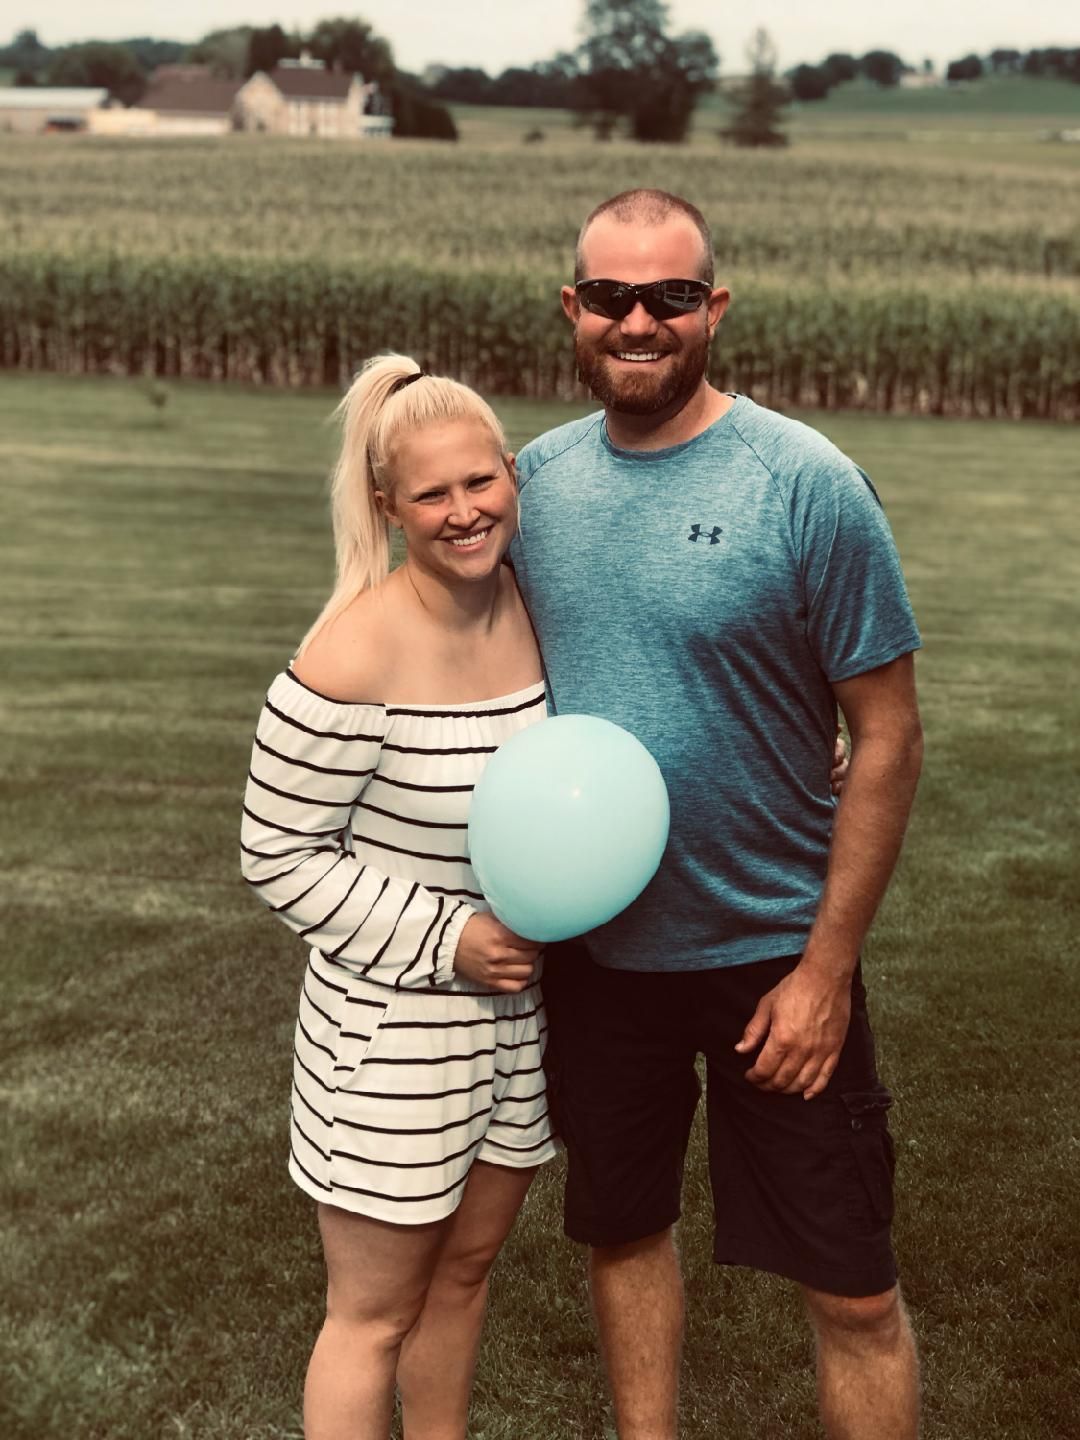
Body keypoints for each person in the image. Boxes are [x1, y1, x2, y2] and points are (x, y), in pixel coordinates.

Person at [511, 189, 925, 1440]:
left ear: (716, 309)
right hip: (600, 960)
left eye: (671, 298)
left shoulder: (805, 483)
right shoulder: (533, 487)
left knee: (851, 1290)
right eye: (613, 298)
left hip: (772, 963)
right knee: (624, 1237)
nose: (640, 322)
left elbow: (890, 731)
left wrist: (825, 973)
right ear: (571, 308)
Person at [239, 357, 558, 1440]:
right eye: (433, 494)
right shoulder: (351, 651)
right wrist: (447, 937)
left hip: (519, 1023)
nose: (465, 512)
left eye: (481, 482)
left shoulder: (533, 601)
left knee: (465, 1279)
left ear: (514, 474)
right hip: (390, 1036)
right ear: (388, 506)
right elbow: (276, 852)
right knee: (370, 1316)